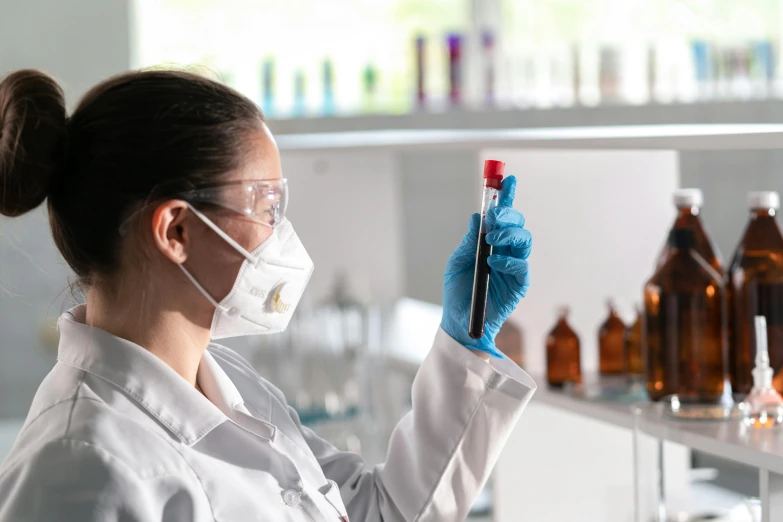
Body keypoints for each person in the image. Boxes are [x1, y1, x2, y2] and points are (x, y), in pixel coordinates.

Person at [0, 69, 535, 521]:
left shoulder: (233, 385)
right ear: (176, 231)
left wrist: (464, 335)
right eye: (266, 207)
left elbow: (378, 510)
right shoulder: (80, 468)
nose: (282, 233)